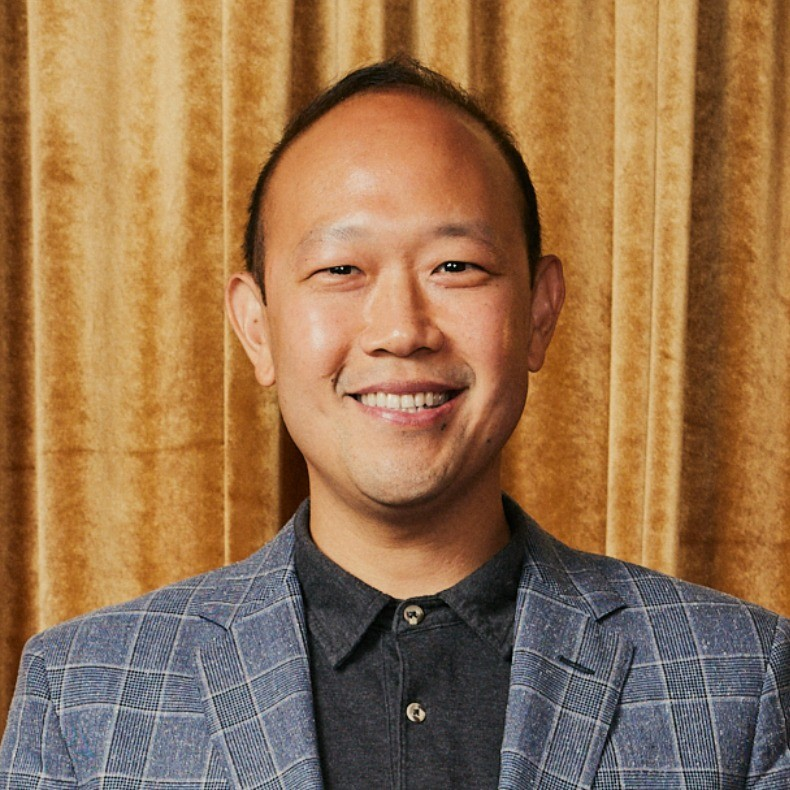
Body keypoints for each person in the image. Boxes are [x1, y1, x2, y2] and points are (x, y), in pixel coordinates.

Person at [1, 56, 788, 789]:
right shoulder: (83, 701)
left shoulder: (741, 681)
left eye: (456, 267)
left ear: (540, 312)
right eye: (340, 269)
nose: (402, 330)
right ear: (257, 328)